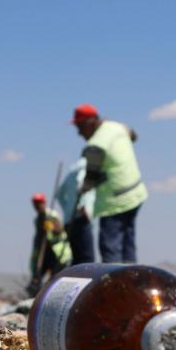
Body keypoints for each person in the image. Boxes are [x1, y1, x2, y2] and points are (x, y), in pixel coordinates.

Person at [71, 104, 148, 263]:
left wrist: (82, 189)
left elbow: (90, 179)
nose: (78, 133)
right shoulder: (117, 127)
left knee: (110, 248)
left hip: (115, 202)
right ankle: (132, 282)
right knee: (128, 244)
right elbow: (134, 136)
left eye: (80, 126)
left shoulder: (95, 145)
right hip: (135, 194)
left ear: (90, 123)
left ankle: (117, 285)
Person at [27, 193, 73, 296]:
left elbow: (59, 229)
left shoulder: (52, 215)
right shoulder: (37, 219)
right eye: (35, 203)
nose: (37, 205)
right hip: (44, 253)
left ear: (44, 203)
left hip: (57, 253)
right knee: (37, 277)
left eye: (39, 203)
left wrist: (51, 227)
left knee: (56, 278)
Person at [55, 157, 96, 265]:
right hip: (81, 219)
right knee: (87, 258)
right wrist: (82, 208)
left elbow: (59, 194)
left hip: (69, 220)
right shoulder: (84, 171)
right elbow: (80, 186)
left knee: (76, 258)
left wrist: (67, 209)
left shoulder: (70, 174)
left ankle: (75, 280)